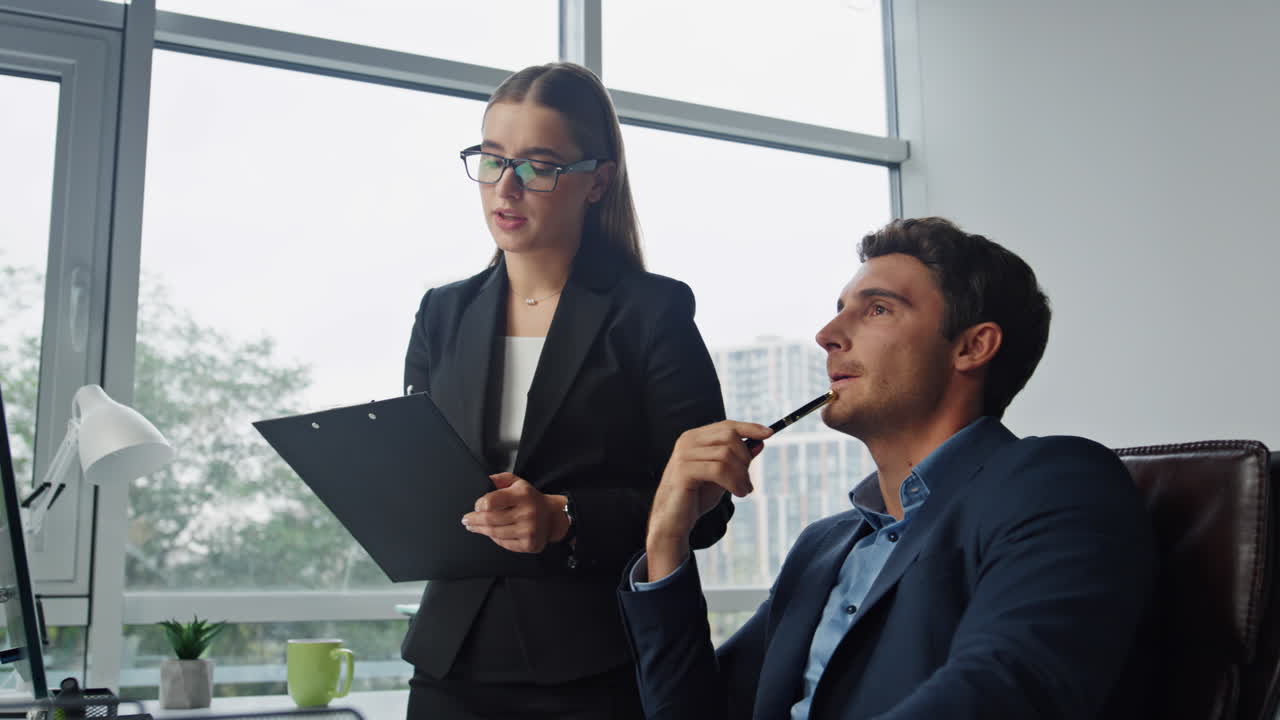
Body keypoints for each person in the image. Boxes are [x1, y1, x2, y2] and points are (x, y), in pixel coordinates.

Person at [618, 217, 1157, 719]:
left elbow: (1008, 686)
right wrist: (668, 534)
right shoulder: (821, 547)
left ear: (973, 346)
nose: (827, 333)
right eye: (840, 307)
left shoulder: (1055, 481)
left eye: (876, 309)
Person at [400, 62, 733, 719]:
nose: (508, 186)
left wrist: (565, 516)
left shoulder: (651, 312)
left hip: (591, 668)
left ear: (596, 182)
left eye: (539, 164)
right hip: (450, 661)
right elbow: (426, 475)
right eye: (492, 160)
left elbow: (708, 506)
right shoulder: (442, 313)